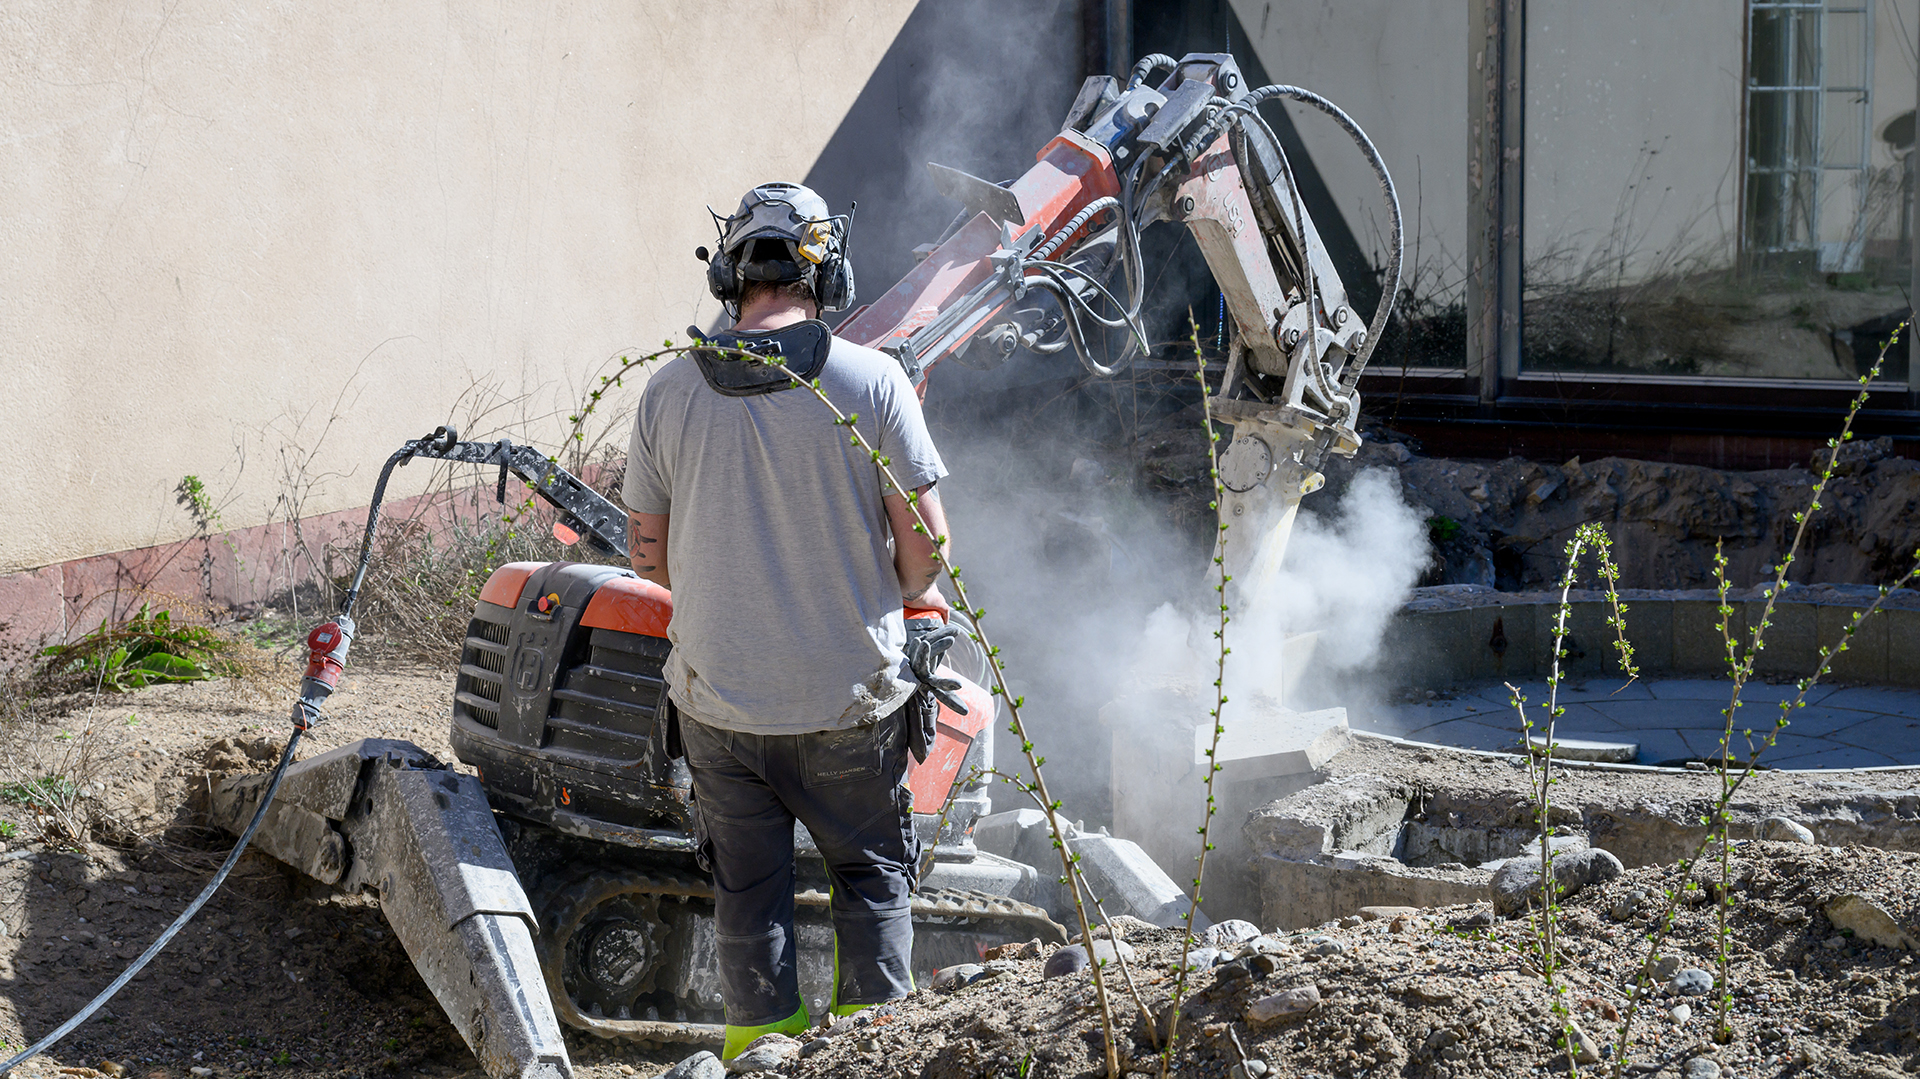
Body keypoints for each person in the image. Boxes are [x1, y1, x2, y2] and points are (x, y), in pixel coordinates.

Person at [620, 182, 952, 1059]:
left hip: (719, 708)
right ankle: (874, 1049)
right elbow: (927, 547)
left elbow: (646, 556)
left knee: (748, 885)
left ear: (730, 270)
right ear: (827, 267)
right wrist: (880, 580)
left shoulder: (666, 393)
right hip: (849, 703)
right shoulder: (871, 380)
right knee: (871, 876)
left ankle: (759, 1046)